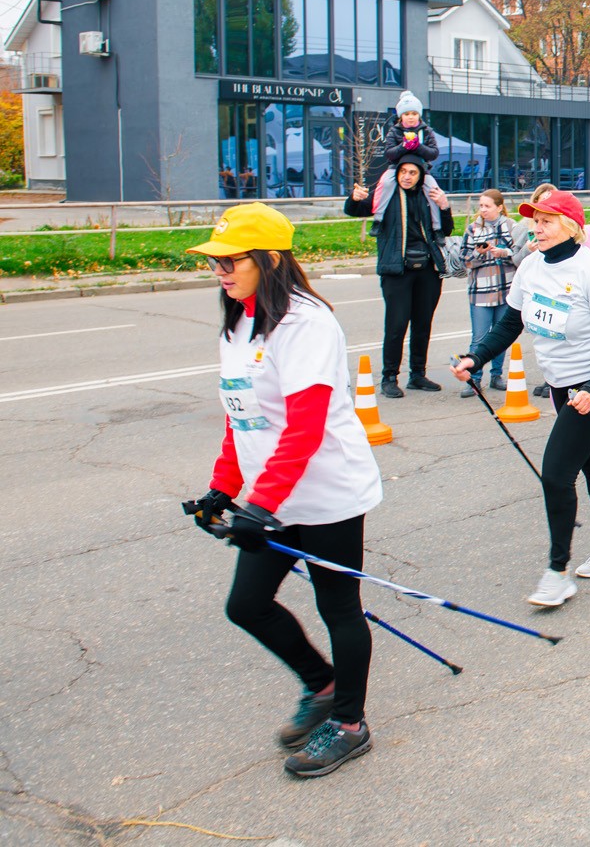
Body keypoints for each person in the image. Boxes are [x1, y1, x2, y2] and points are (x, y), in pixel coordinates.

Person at [185, 202, 383, 778]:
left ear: (271, 259)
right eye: (215, 261)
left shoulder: (304, 323)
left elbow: (305, 426)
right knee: (246, 605)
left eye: (231, 260)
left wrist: (260, 504)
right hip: (271, 495)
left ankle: (350, 723)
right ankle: (322, 684)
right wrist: (223, 490)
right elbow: (240, 417)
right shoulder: (240, 319)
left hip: (325, 491)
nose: (220, 270)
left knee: (338, 607)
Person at [451, 192, 590, 607]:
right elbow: (509, 323)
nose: (537, 228)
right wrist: (475, 356)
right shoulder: (531, 266)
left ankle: (557, 573)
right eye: (535, 220)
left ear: (571, 226)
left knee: (555, 474)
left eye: (548, 221)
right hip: (561, 384)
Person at [344, 154, 453, 398]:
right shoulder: (386, 194)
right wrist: (354, 198)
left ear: (421, 176)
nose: (406, 176)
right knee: (396, 325)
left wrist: (444, 206)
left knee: (423, 324)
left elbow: (445, 230)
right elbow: (356, 210)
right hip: (397, 270)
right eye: (403, 171)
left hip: (427, 269)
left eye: (412, 172)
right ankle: (389, 377)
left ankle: (417, 374)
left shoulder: (429, 196)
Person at [458, 189, 515, 398]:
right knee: (480, 337)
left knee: (500, 336)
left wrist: (504, 253)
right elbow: (464, 260)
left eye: (487, 206)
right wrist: (478, 253)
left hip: (505, 289)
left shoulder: (511, 227)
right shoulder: (473, 229)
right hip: (480, 291)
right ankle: (473, 379)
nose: (483, 210)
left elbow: (521, 253)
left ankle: (496, 375)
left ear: (499, 207)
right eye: (480, 206)